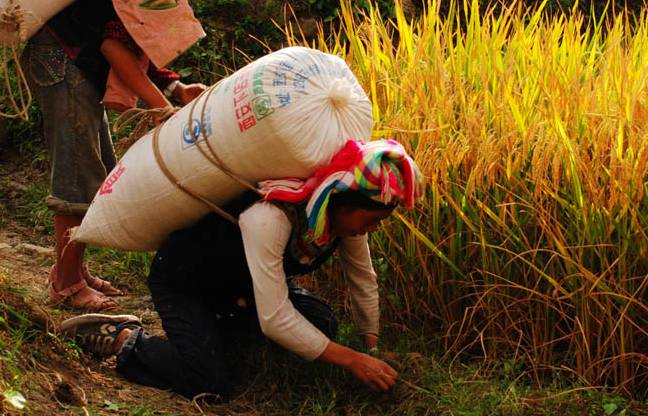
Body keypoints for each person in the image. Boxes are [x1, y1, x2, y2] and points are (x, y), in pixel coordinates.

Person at [59, 139, 423, 397]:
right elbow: (275, 318)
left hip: (240, 288)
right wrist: (350, 360)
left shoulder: (342, 225)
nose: (371, 228)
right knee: (208, 380)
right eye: (371, 218)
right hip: (188, 281)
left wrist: (370, 348)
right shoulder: (271, 216)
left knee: (321, 323)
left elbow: (363, 280)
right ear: (340, 200)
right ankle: (126, 339)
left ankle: (205, 341)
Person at [23, 0, 249, 311]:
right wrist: (161, 107)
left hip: (69, 59)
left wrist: (174, 86)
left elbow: (126, 41)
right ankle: (67, 285)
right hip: (62, 56)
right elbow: (114, 49)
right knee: (80, 171)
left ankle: (71, 271)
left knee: (97, 167)